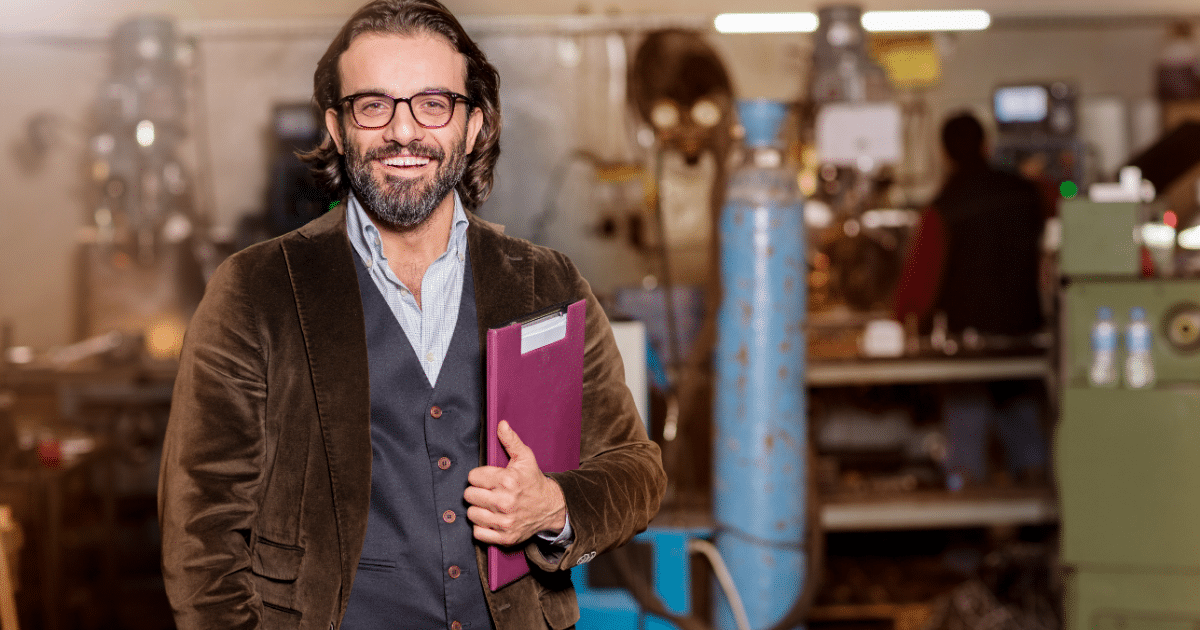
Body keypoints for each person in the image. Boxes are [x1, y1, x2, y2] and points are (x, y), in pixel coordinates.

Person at [157, 1, 667, 628]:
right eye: (373, 105)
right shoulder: (256, 289)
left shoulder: (544, 283)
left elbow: (635, 471)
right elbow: (201, 530)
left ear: (474, 125)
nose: (404, 131)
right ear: (338, 130)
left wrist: (554, 508)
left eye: (433, 103)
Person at [893, 112, 1048, 489]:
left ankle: (967, 540)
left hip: (969, 345)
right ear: (987, 145)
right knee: (1028, 441)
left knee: (965, 447)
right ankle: (1038, 538)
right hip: (1023, 338)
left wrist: (903, 321)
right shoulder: (1027, 193)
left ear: (943, 153)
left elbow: (919, 283)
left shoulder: (943, 206)